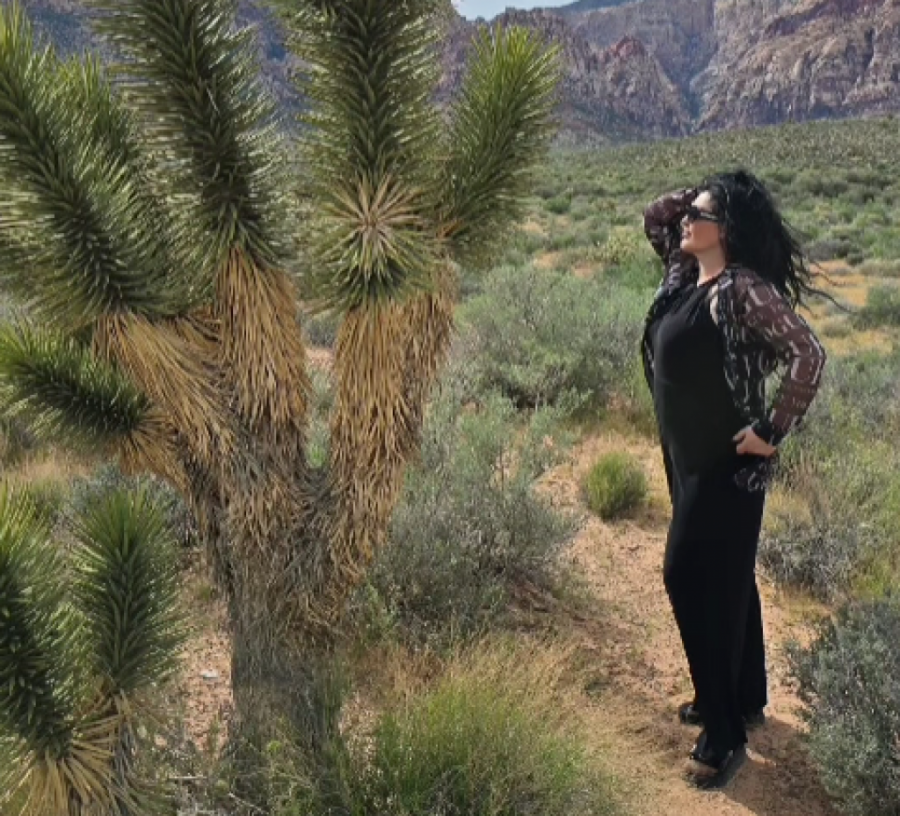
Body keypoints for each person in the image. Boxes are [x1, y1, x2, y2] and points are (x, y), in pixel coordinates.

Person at [641, 170, 827, 789]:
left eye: (701, 215)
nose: (686, 220)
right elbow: (656, 214)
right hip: (685, 456)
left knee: (687, 576)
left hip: (727, 464)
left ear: (726, 231)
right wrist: (711, 189)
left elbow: (808, 353)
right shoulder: (683, 274)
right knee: (730, 577)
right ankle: (741, 696)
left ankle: (722, 734)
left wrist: (772, 429)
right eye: (692, 213)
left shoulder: (741, 289)